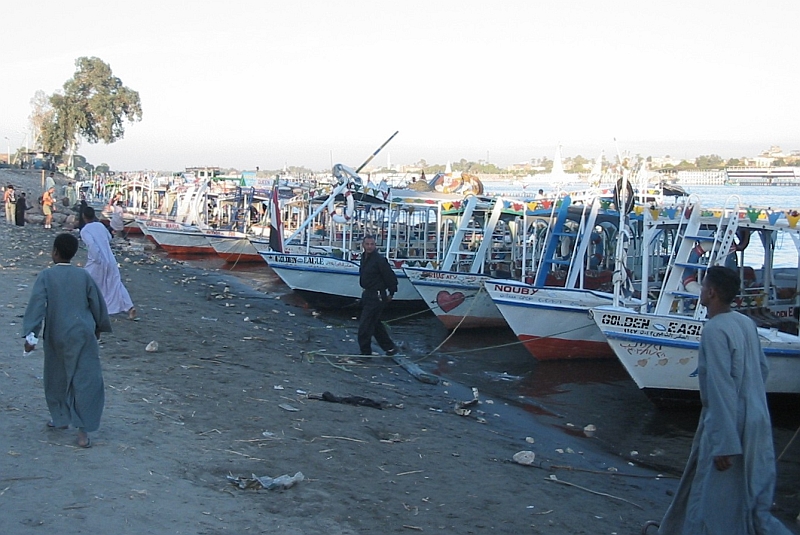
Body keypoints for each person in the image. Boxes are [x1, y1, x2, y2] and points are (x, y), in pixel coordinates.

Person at [656, 266, 792, 535]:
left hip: (730, 424)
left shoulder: (715, 330)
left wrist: (724, 442)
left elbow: (720, 387)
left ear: (711, 292)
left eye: (704, 286)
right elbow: (762, 370)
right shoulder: (746, 323)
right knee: (753, 497)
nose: (701, 291)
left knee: (714, 501)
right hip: (757, 419)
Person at [22, 233, 112, 448]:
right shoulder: (83, 276)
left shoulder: (46, 276)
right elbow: (97, 304)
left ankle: (61, 419)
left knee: (56, 377)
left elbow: (36, 307)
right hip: (82, 334)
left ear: (54, 252)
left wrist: (31, 336)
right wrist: (99, 327)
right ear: (74, 253)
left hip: (57, 335)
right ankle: (83, 432)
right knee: (85, 380)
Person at [80, 207, 137, 319]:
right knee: (116, 284)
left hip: (97, 261)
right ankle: (130, 307)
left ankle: (87, 306)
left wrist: (97, 258)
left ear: (84, 216)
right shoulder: (100, 226)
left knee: (87, 282)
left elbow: (92, 245)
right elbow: (109, 238)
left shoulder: (85, 230)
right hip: (110, 259)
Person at [357, 235, 399, 356]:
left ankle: (365, 353)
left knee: (365, 326)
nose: (370, 246)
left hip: (377, 295)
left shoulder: (379, 260)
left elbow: (390, 277)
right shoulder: (363, 258)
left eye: (372, 244)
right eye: (367, 244)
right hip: (367, 293)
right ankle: (389, 347)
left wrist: (391, 292)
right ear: (363, 245)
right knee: (374, 324)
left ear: (375, 245)